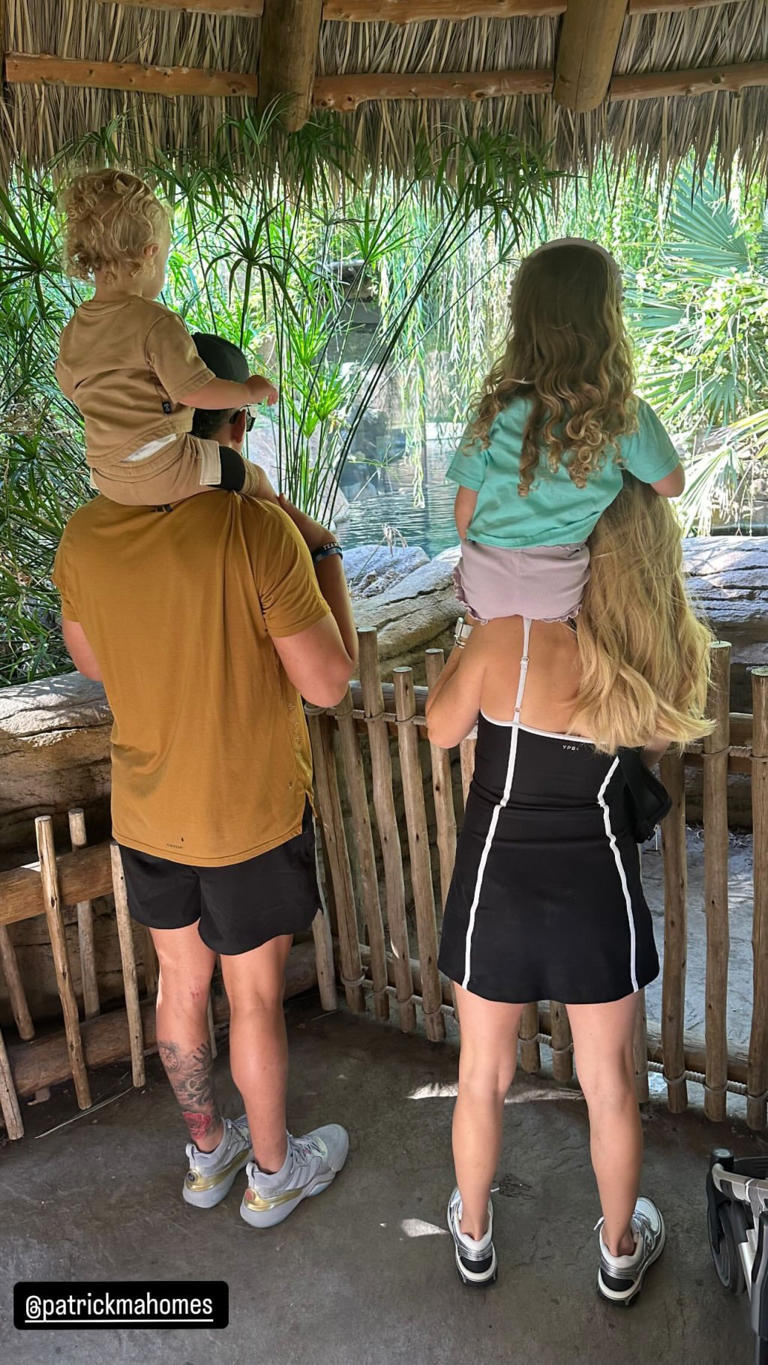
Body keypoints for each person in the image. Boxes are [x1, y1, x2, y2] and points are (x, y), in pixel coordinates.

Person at [52, 330, 358, 1228]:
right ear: (231, 429)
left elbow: (93, 662)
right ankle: (272, 1172)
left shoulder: (87, 535)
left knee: (178, 987)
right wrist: (326, 551)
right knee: (252, 996)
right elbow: (330, 683)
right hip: (247, 818)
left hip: (149, 814)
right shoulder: (254, 529)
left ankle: (205, 1154)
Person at [426, 474, 713, 1302]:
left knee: (481, 1075)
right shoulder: (646, 656)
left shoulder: (507, 639)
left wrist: (472, 631)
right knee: (610, 1085)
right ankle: (621, 1251)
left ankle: (473, 1233)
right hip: (598, 902)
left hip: (495, 896)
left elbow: (439, 729)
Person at [449, 238, 685, 630]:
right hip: (558, 584)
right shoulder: (621, 413)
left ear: (524, 323)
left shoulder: (494, 410)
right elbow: (670, 485)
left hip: (485, 579)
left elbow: (464, 510)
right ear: (608, 320)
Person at [56, 169, 275, 505]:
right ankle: (299, 538)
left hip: (105, 475)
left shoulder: (75, 329)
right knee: (249, 475)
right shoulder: (156, 321)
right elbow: (196, 389)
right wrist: (247, 391)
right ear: (149, 253)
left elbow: (71, 388)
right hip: (163, 467)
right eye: (164, 260)